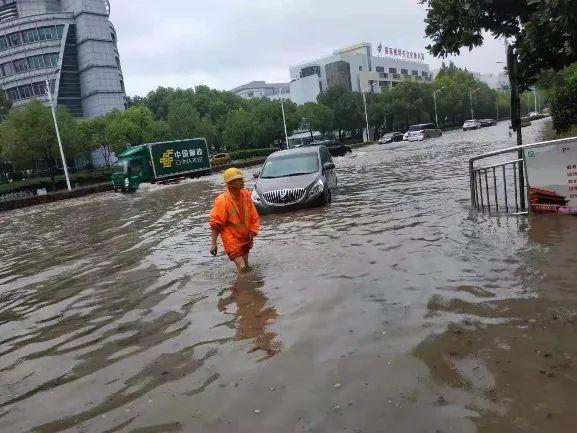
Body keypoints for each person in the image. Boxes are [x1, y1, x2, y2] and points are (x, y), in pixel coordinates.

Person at [209, 167, 260, 273]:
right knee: (242, 267)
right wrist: (214, 244)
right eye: (239, 179)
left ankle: (245, 288)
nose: (242, 181)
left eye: (241, 178)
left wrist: (252, 231)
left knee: (246, 266)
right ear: (230, 183)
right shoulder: (222, 201)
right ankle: (243, 286)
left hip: (245, 236)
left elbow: (253, 216)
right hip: (231, 240)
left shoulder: (245, 195)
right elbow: (216, 224)